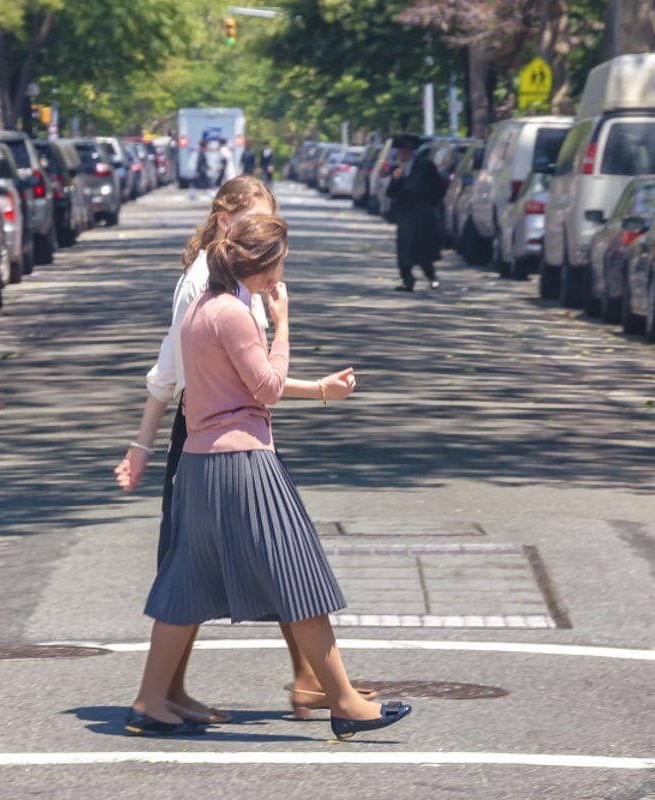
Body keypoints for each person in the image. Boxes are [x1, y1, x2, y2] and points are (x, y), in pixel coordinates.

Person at [126, 214, 412, 741]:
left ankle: (150, 700)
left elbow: (238, 386)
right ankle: (345, 701)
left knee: (185, 581)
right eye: (281, 260)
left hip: (198, 462)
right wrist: (283, 324)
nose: (284, 270)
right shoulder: (235, 313)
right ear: (264, 265)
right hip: (243, 463)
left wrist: (323, 388)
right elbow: (266, 387)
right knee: (297, 572)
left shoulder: (201, 310)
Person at [387, 135, 445, 291]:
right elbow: (391, 193)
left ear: (409, 151)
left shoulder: (425, 166)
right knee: (404, 248)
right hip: (405, 213)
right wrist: (396, 180)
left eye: (403, 151)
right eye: (399, 151)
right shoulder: (397, 169)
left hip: (423, 213)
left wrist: (429, 205)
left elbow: (438, 188)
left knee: (423, 248)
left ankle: (432, 277)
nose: (400, 155)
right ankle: (407, 279)